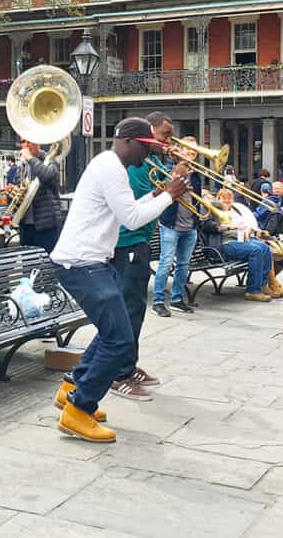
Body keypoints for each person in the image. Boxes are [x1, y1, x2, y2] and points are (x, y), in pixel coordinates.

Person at [50, 117, 186, 443]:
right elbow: (132, 219)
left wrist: (156, 194)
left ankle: (72, 389)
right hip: (82, 263)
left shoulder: (110, 165)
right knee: (119, 340)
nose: (148, 155)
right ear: (128, 142)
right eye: (146, 147)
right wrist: (169, 195)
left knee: (112, 331)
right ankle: (79, 410)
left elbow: (126, 210)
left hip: (90, 261)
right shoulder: (111, 168)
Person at [110, 111, 174, 400]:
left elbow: (158, 194)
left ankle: (128, 365)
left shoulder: (152, 161)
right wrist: (169, 193)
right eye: (164, 136)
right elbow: (135, 209)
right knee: (130, 309)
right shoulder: (135, 164)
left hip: (140, 241)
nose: (166, 142)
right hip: (129, 243)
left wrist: (176, 177)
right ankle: (119, 373)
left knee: (136, 307)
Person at [151, 137, 201, 318]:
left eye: (194, 151)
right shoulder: (170, 168)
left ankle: (177, 299)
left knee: (183, 265)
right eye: (188, 150)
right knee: (165, 264)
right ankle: (157, 302)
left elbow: (197, 199)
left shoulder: (197, 173)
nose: (191, 154)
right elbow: (162, 188)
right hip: (171, 225)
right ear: (180, 150)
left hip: (190, 225)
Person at [202, 188, 275, 301]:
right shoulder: (207, 211)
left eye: (229, 198)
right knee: (255, 251)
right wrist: (231, 227)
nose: (210, 197)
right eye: (207, 197)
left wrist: (244, 231)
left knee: (265, 247)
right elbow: (208, 226)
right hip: (223, 244)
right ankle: (253, 290)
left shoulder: (228, 209)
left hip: (236, 239)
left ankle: (262, 284)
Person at [15, 138, 63, 253]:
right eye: (23, 142)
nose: (26, 145)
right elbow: (19, 192)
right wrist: (12, 194)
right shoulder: (22, 166)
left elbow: (46, 175)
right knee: (27, 267)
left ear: (38, 143)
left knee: (47, 265)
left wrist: (31, 158)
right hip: (26, 227)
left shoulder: (51, 161)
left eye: (29, 142)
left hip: (45, 226)